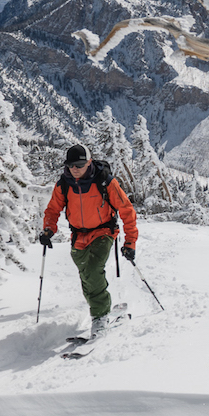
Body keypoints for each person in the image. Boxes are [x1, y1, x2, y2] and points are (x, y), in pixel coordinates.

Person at [38, 143, 138, 334]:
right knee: (86, 275)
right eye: (70, 165)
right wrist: (48, 230)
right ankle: (102, 307)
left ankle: (100, 316)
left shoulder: (105, 182)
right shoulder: (64, 184)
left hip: (104, 232)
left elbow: (127, 210)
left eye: (79, 165)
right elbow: (53, 209)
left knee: (92, 270)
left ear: (89, 162)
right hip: (78, 235)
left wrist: (130, 242)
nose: (74, 169)